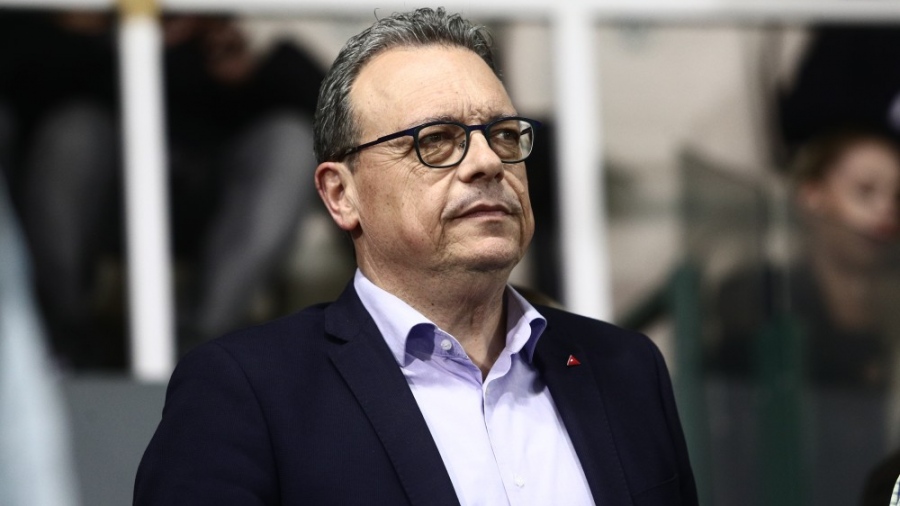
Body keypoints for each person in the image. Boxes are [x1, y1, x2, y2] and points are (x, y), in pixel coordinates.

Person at [134, 8, 698, 505]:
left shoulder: (627, 370)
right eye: (436, 140)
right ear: (341, 194)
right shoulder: (246, 391)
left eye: (504, 134)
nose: (488, 162)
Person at [0, 11, 324, 367]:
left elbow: (336, 112)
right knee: (74, 132)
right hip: (104, 199)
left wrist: (254, 64)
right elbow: (22, 84)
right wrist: (108, 36)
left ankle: (202, 351)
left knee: (289, 142)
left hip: (213, 201)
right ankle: (63, 343)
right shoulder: (74, 31)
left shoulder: (230, 43)